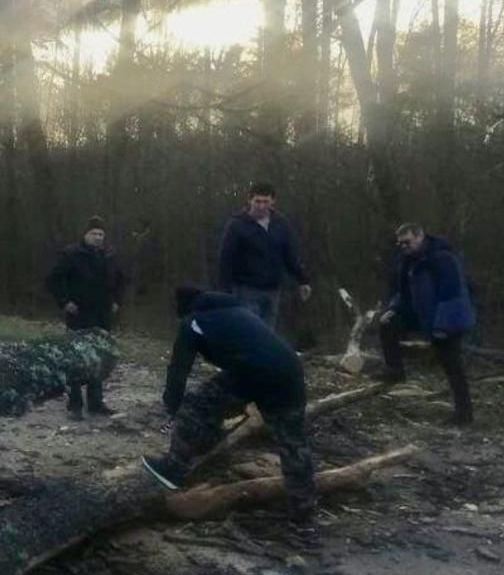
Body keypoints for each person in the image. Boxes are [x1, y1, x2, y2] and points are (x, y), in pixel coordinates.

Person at [142, 286, 318, 535]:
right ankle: (304, 514)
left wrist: (173, 405)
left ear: (184, 309)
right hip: (289, 370)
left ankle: (174, 468)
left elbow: (179, 368)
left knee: (194, 405)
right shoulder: (237, 311)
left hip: (251, 372)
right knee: (293, 443)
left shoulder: (194, 321)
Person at [376, 223, 475, 425]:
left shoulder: (442, 258)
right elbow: (403, 293)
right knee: (387, 325)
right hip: (422, 314)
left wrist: (442, 326)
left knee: (452, 365)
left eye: (407, 242)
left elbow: (452, 293)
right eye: (400, 243)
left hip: (448, 317)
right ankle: (395, 371)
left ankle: (464, 414)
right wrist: (393, 309)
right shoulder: (407, 261)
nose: (403, 247)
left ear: (420, 236)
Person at [46, 215, 126, 419]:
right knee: (76, 360)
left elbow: (120, 280)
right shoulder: (71, 254)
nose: (98, 237)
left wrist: (117, 300)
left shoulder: (109, 255)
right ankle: (74, 405)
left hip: (102, 315)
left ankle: (96, 403)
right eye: (94, 233)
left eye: (101, 234)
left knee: (98, 359)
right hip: (79, 314)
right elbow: (53, 279)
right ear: (85, 234)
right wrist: (65, 302)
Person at [217, 181, 312, 327]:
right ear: (250, 200)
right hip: (246, 289)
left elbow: (289, 254)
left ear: (273, 201)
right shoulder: (237, 225)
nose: (261, 206)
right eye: (257, 201)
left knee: (267, 335)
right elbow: (225, 260)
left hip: (273, 290)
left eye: (265, 202)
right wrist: (225, 292)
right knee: (250, 331)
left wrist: (302, 280)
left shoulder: (280, 223)